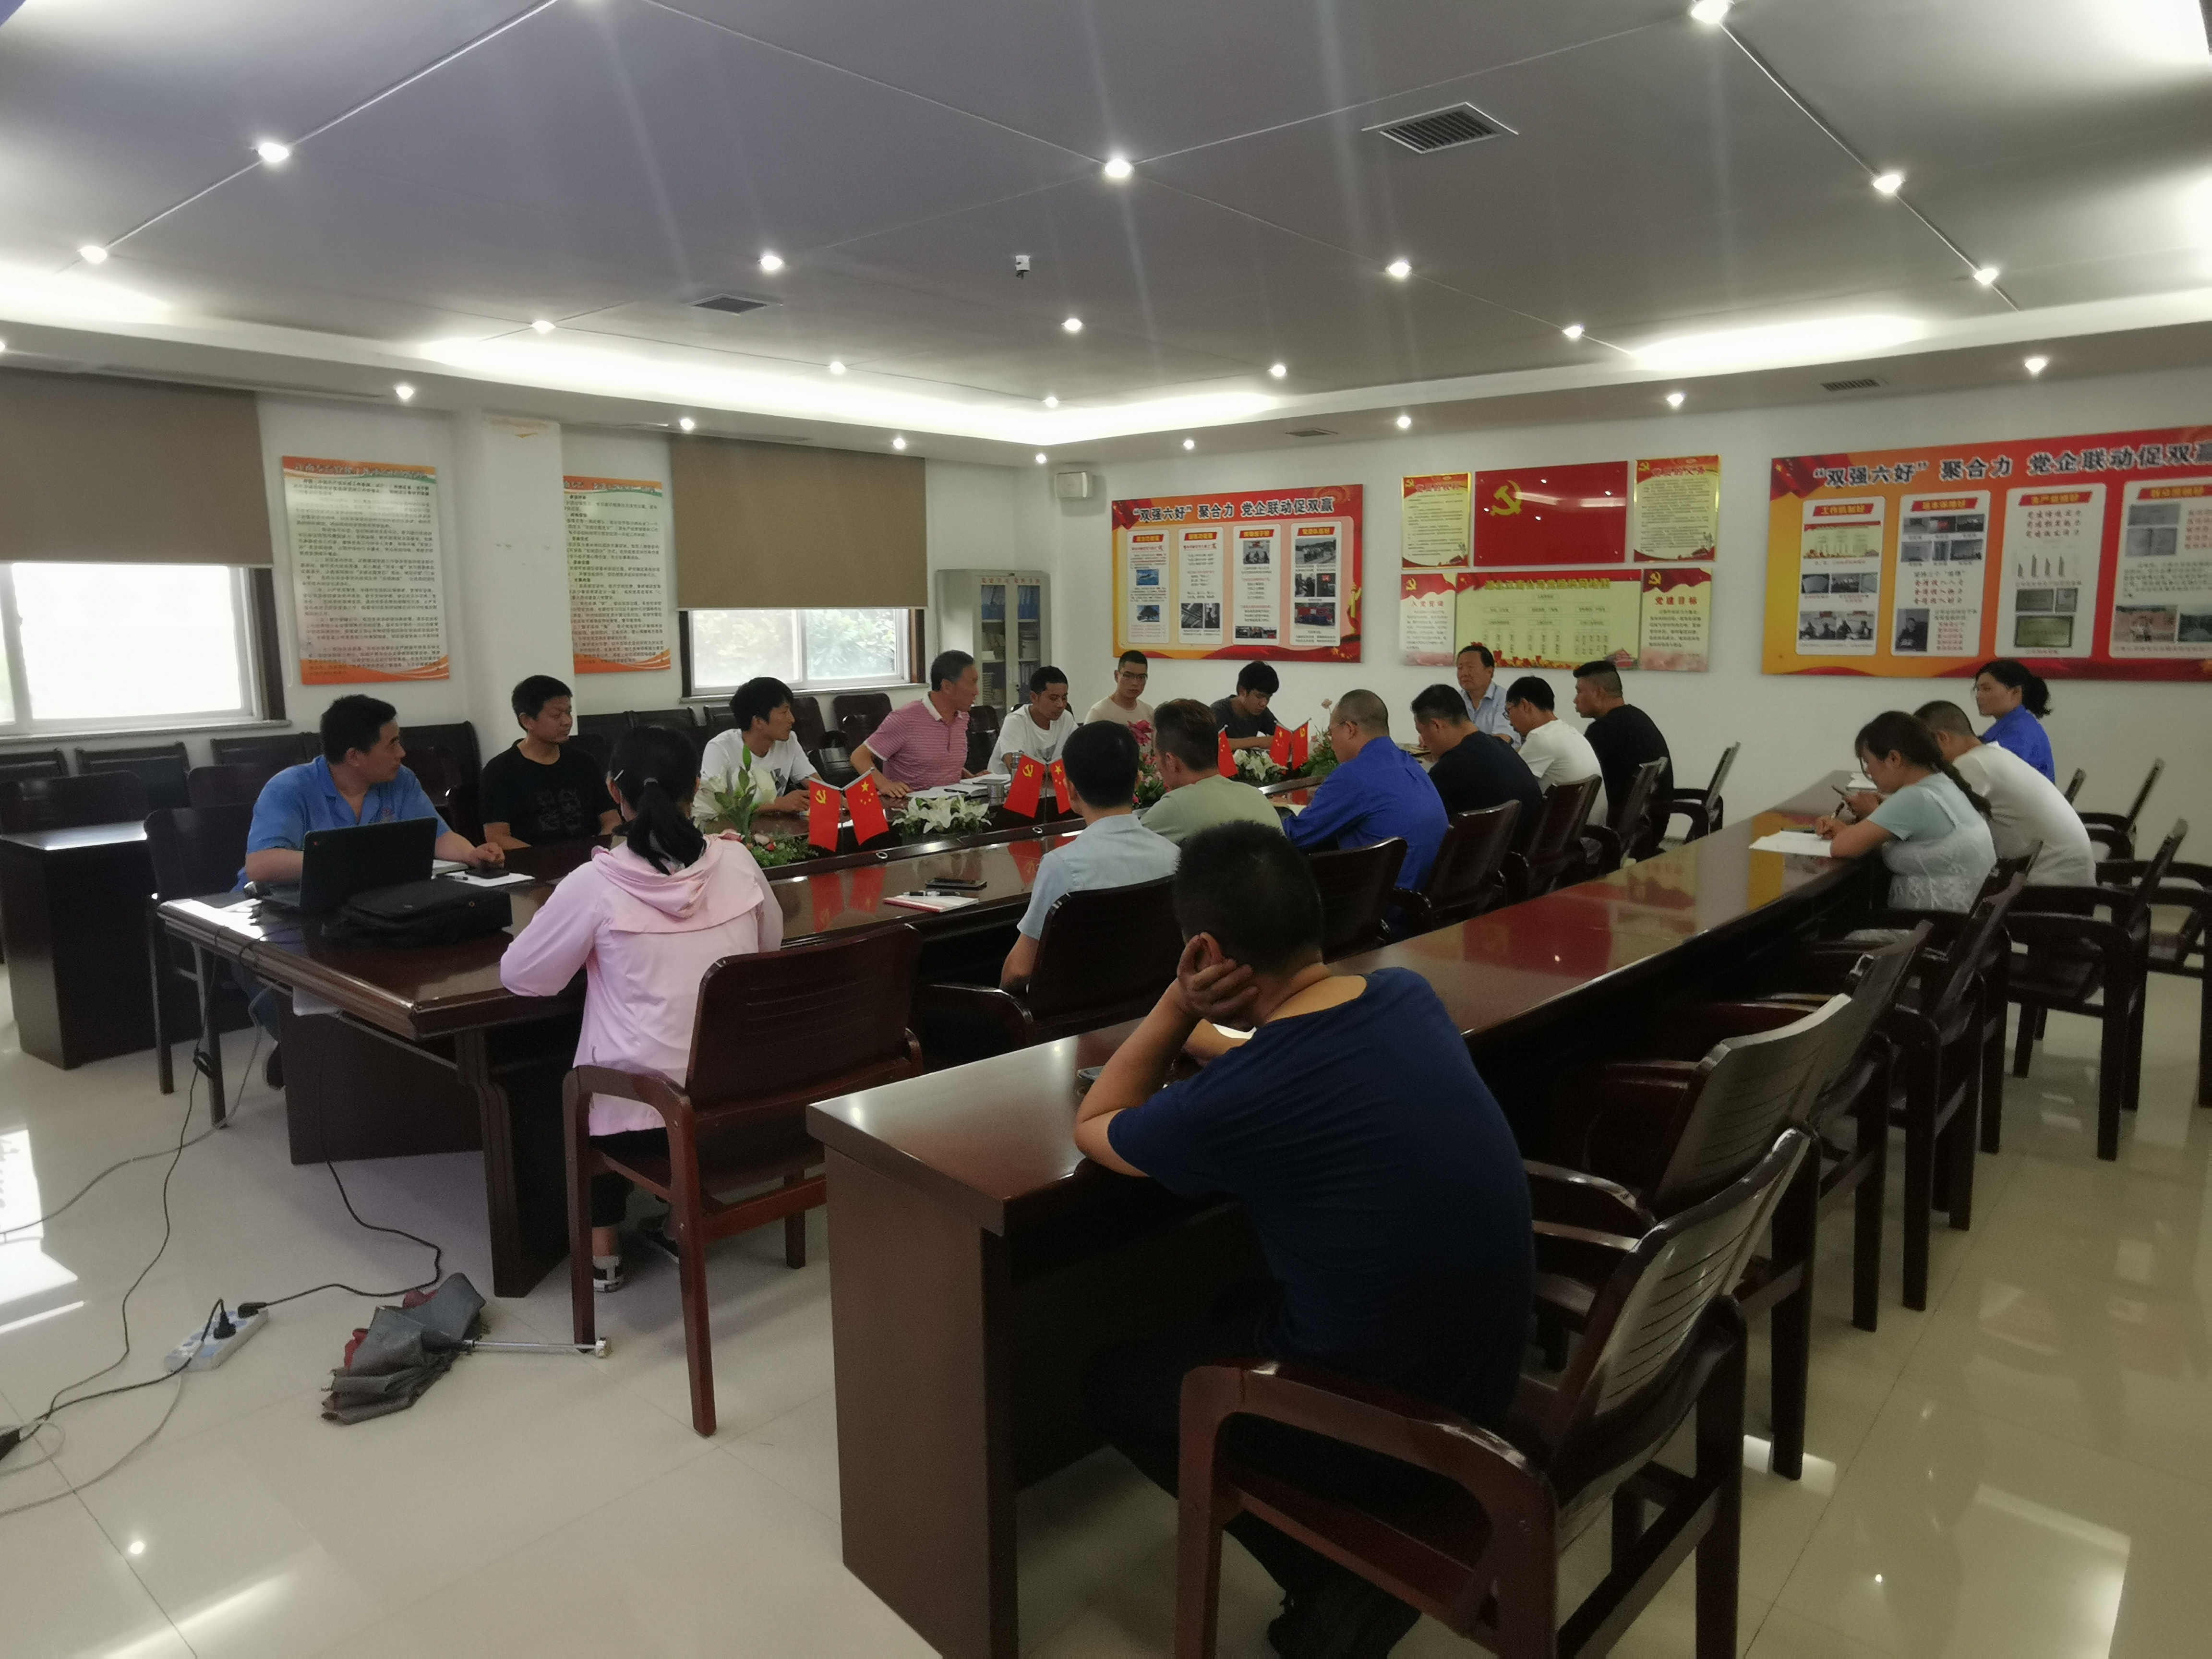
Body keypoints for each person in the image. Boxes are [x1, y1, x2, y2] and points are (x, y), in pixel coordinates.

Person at [1077, 823, 1533, 1658]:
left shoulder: (1243, 1100)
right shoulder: (1405, 996)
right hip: (1484, 1374)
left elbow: (1097, 1121)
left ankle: (1335, 1582)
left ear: (1206, 950)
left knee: (1112, 1382)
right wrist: (1211, 1036)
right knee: (1230, 1301)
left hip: (1394, 1430)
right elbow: (1289, 1058)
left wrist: (1176, 1003)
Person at [498, 725, 782, 1292]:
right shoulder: (737, 861)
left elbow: (523, 976)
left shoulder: (594, 883)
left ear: (614, 791)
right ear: (696, 786)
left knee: (594, 1064)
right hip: (735, 1103)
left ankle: (603, 1250)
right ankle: (678, 1224)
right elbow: (768, 947)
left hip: (647, 1117)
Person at [237, 695, 505, 1075]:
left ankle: (379, 1052)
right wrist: (348, 861)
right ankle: (304, 1051)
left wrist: (472, 853)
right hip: (287, 910)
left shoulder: (400, 780)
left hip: (367, 904)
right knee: (284, 970)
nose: (402, 753)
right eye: (392, 744)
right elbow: (262, 864)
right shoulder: (290, 788)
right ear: (354, 756)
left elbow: (438, 836)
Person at [1000, 721, 1180, 989]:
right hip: (1154, 1006)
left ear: (1071, 790)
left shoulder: (1062, 865)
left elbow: (1018, 971)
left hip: (1075, 1012)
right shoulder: (1173, 856)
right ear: (1137, 781)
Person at [1813, 710, 1996, 912]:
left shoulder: (1915, 797)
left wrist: (1844, 831)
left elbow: (1842, 847)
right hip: (1956, 918)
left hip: (1933, 926)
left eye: (1868, 762)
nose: (1869, 772)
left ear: (1894, 758)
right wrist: (1849, 831)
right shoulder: (1941, 783)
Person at [1908, 701, 2095, 887]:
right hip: (2063, 873)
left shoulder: (1972, 764)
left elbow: (1933, 825)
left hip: (2054, 883)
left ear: (1942, 738)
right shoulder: (1991, 754)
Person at [1281, 689, 1448, 890]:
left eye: (1331, 733)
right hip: (1424, 894)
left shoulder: (1355, 774)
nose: (1331, 743)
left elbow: (1295, 836)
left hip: (1382, 900)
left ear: (1350, 729)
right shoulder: (1410, 763)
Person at [479, 675, 621, 849]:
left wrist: (598, 852)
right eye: (556, 715)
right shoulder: (500, 771)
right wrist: (548, 859)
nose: (567, 721)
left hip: (591, 858)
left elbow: (612, 820)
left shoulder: (584, 763)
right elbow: (498, 837)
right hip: (534, 861)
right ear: (527, 721)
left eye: (568, 712)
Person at [1139, 698, 1285, 845]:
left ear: (1170, 761)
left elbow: (1131, 848)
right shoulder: (1257, 797)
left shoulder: (1174, 807)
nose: (1157, 765)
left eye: (1156, 756)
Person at [1408, 683, 1542, 839]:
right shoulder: (1502, 747)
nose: (1423, 740)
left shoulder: (1453, 765)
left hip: (1494, 851)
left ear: (1436, 725)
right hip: (1526, 846)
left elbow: (1413, 815)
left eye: (1421, 732)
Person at [852, 650, 979, 799]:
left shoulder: (962, 717)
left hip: (954, 804)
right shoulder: (905, 719)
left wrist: (973, 779)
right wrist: (885, 785)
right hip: (910, 807)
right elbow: (859, 757)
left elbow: (941, 765)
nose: (976, 692)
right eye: (973, 683)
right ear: (947, 686)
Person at [1572, 658, 1673, 841]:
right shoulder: (1638, 718)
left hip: (1617, 836)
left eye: (1579, 692)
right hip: (1647, 829)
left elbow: (1581, 783)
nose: (1575, 699)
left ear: (1598, 693)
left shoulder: (1604, 730)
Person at [696, 675, 819, 817]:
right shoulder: (720, 749)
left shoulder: (789, 741)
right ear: (759, 722)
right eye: (784, 712)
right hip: (731, 830)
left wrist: (837, 800)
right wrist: (777, 804)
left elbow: (817, 785)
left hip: (775, 828)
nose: (792, 719)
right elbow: (713, 805)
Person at [1502, 676, 1602, 790]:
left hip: (1563, 802)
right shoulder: (1569, 733)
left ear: (1525, 705)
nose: (1510, 722)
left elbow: (1507, 786)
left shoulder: (1540, 738)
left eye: (1509, 711)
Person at [1972, 658, 2056, 781]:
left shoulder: (2021, 731)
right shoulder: (2017, 724)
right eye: (1978, 690)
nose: (1979, 696)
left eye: (1987, 689)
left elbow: (1989, 772)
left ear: (2015, 692)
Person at [989, 665, 1076, 772]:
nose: (1061, 705)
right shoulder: (1015, 721)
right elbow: (1015, 767)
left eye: (1064, 698)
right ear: (1034, 697)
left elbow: (1079, 755)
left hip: (1048, 782)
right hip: (1006, 781)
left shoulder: (1066, 719)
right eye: (1053, 699)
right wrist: (1051, 772)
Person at [1454, 642, 1517, 746]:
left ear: (1490, 672)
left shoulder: (1505, 699)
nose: (1464, 673)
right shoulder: (1455, 699)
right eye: (1460, 668)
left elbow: (1504, 738)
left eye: (1471, 667)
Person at [1212, 661, 1280, 752]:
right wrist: (1258, 742)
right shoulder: (1218, 711)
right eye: (1259, 696)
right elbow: (1209, 744)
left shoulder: (1261, 712)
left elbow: (1284, 735)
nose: (1264, 703)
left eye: (1268, 698)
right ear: (1242, 692)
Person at [1084, 650, 1154, 730]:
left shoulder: (1149, 712)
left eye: (1141, 677)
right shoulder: (1099, 714)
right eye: (1128, 676)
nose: (1135, 683)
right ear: (1117, 676)